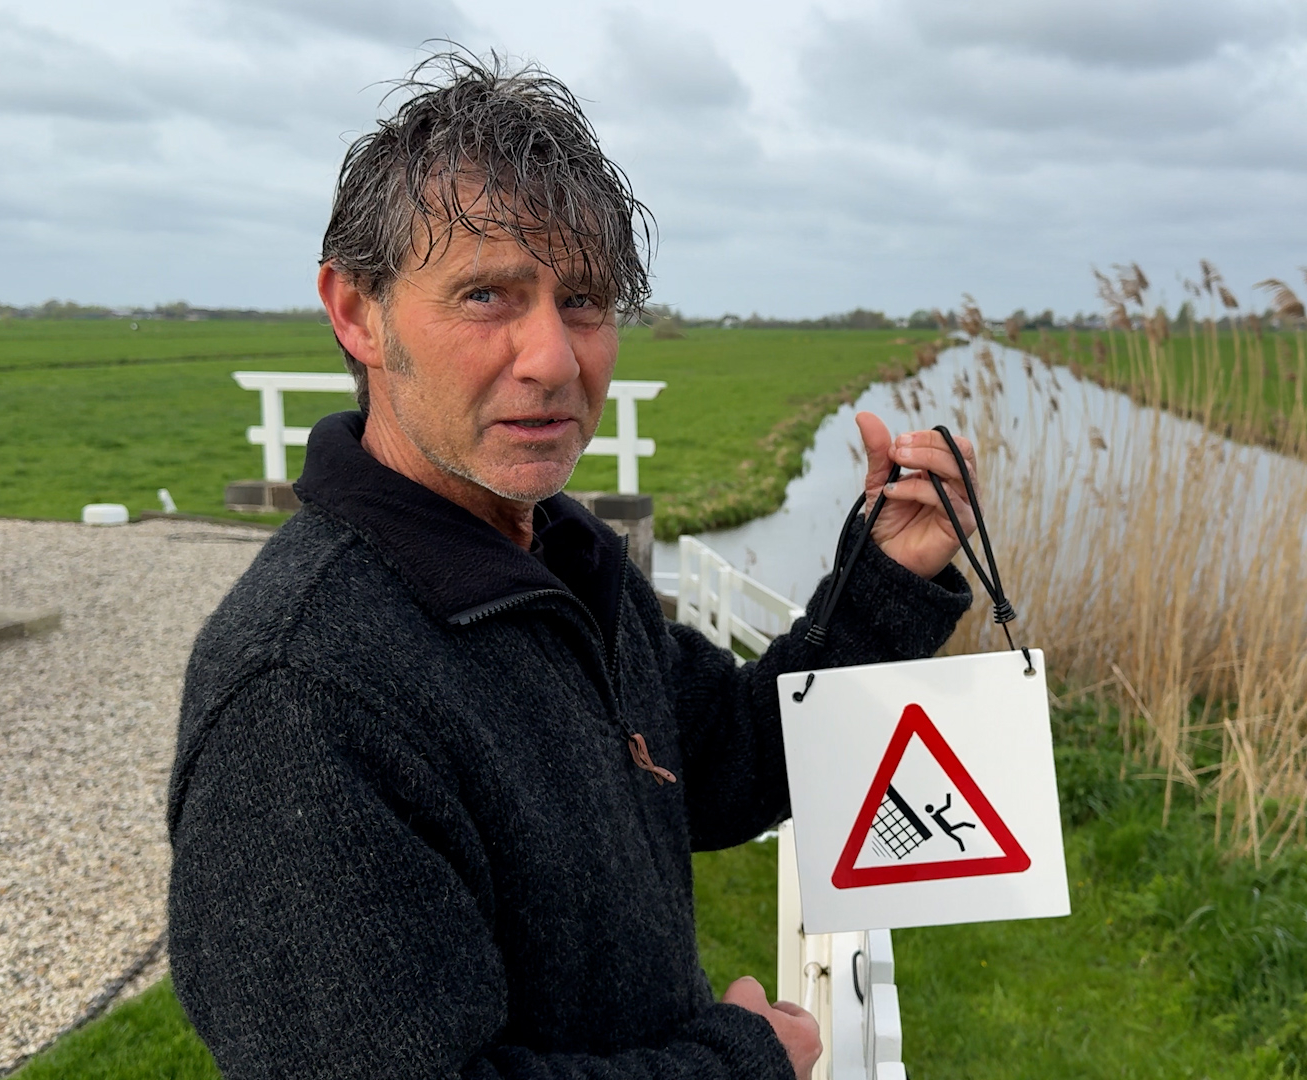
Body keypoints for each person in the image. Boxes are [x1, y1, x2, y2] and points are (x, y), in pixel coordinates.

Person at [166, 52, 983, 1080]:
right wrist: (739, 1064)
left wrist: (884, 584)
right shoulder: (306, 694)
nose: (555, 358)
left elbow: (724, 761)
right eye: (486, 295)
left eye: (585, 300)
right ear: (357, 311)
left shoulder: (557, 558)